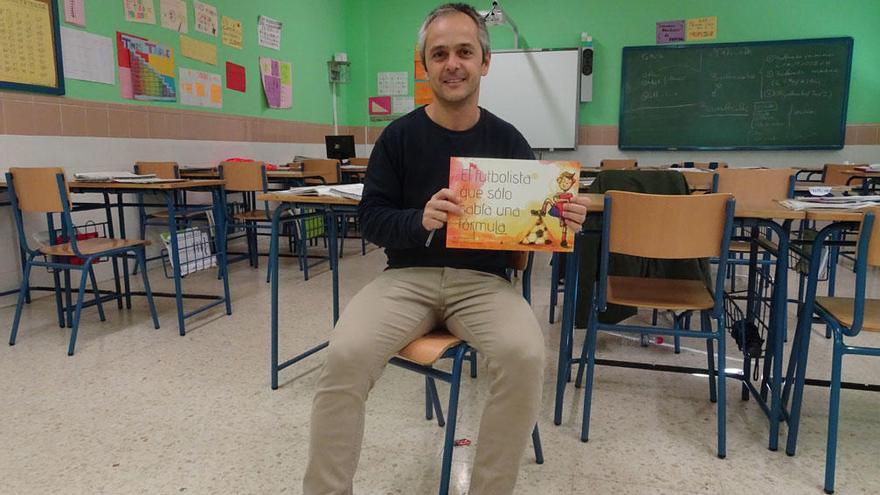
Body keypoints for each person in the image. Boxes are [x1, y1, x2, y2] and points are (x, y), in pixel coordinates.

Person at [302, 4, 589, 494]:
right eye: (439, 54)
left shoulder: (509, 141)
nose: (452, 63)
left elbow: (530, 226)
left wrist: (561, 219)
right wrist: (419, 219)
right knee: (344, 356)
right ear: (426, 66)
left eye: (464, 51)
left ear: (485, 62)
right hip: (405, 279)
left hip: (484, 285)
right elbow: (371, 219)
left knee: (524, 356)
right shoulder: (398, 137)